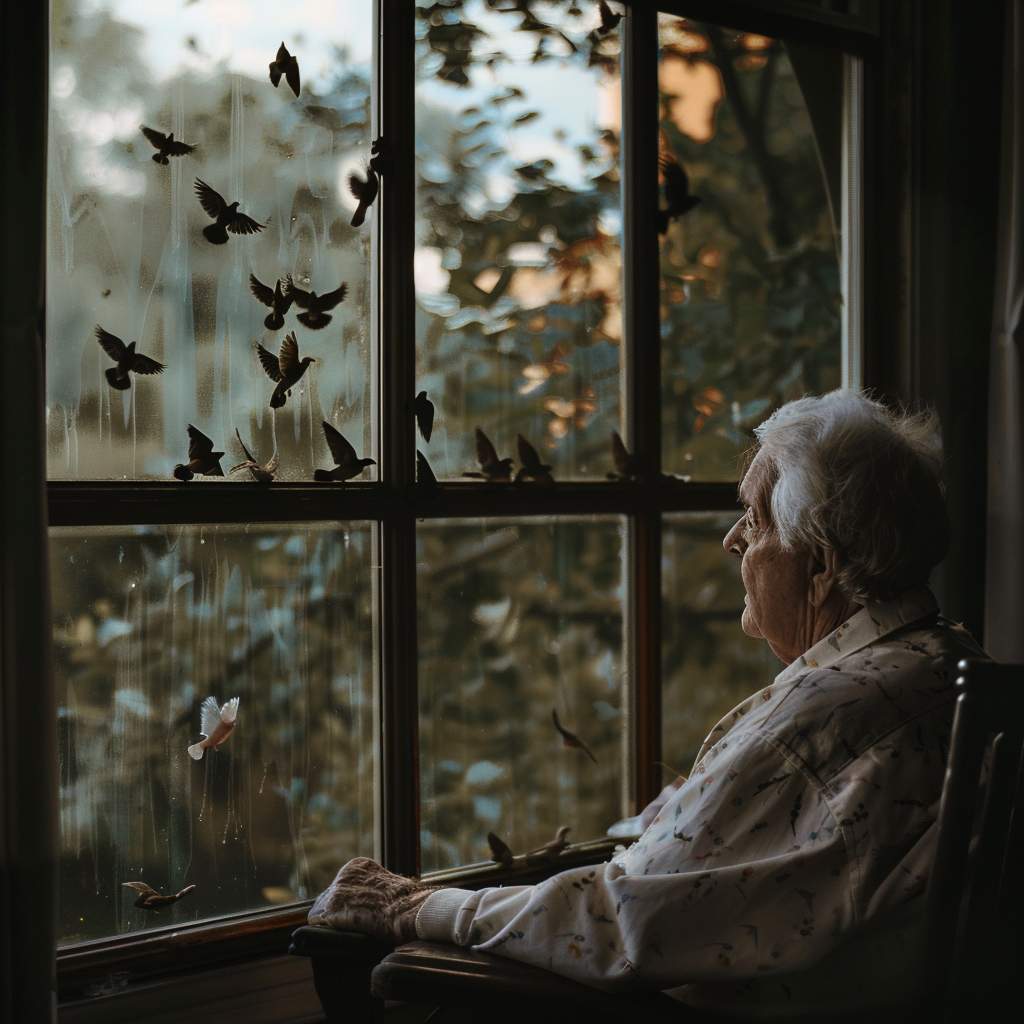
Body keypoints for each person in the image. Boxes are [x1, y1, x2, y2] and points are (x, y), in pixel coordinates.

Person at [309, 390, 987, 1016]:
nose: (733, 541)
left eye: (754, 517)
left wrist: (416, 907)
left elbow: (616, 923)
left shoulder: (823, 722)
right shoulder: (959, 666)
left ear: (820, 564)